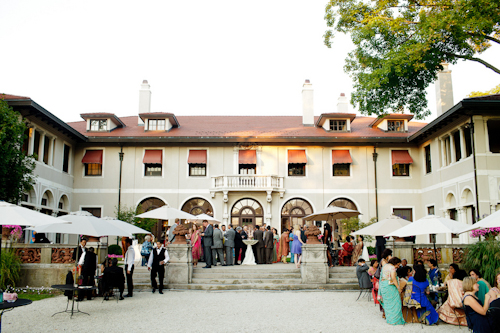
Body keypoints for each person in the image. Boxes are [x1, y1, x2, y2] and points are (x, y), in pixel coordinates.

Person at [379, 256, 405, 325]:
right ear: (395, 263)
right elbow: (393, 278)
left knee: (388, 303)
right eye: (398, 265)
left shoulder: (384, 266)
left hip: (384, 286)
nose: (398, 266)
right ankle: (395, 320)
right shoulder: (392, 268)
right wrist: (398, 287)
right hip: (390, 286)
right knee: (396, 302)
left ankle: (389, 319)